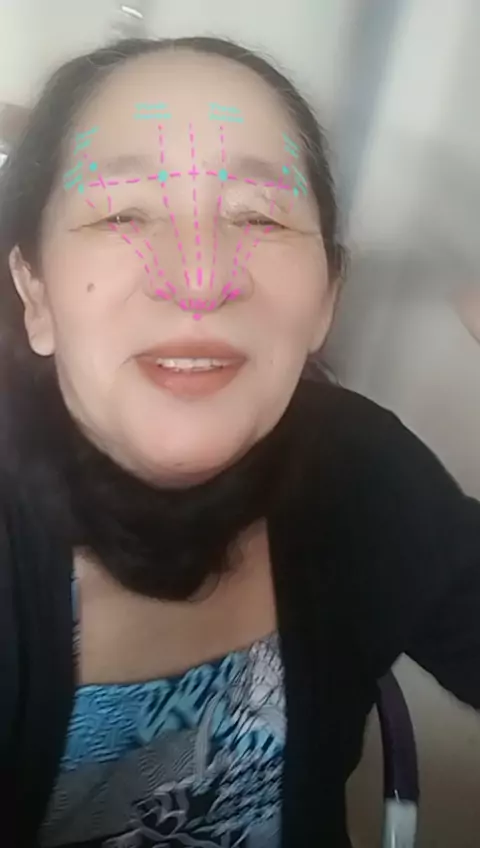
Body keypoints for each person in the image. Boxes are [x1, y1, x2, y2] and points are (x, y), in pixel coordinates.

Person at [0, 35, 479, 848]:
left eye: (259, 216)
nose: (199, 281)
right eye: (122, 213)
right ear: (35, 294)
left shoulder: (362, 472)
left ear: (326, 297)